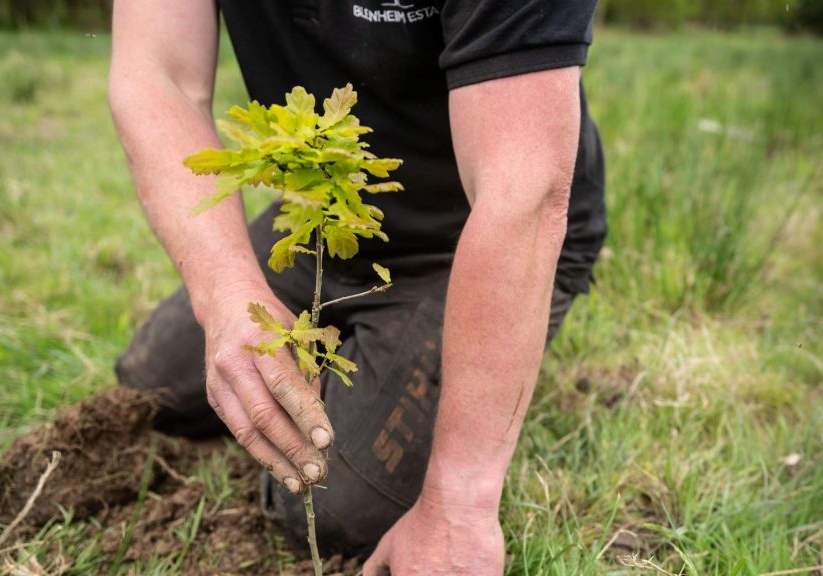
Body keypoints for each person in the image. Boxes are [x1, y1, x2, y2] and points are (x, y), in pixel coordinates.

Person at [108, 0, 606, 573]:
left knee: (332, 503)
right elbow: (156, 72)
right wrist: (224, 290)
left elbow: (523, 193)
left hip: (474, 229)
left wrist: (459, 504)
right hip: (325, 214)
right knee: (152, 389)